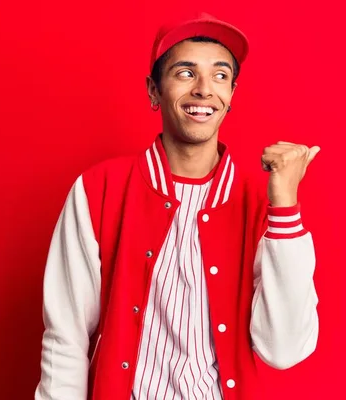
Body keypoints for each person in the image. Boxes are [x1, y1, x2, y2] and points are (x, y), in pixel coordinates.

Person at [35, 12, 320, 400]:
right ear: (154, 91)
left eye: (220, 76)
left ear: (231, 96)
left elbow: (283, 350)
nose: (204, 89)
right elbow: (65, 335)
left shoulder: (260, 201)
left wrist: (285, 205)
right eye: (185, 73)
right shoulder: (99, 189)